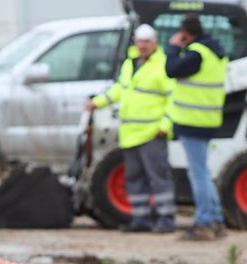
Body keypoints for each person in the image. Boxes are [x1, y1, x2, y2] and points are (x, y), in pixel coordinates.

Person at [86, 24, 175, 233]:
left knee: (158, 177)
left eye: (147, 42)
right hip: (130, 133)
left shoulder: (163, 66)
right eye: (140, 41)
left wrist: (165, 125)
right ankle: (140, 219)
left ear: (155, 43)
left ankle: (165, 219)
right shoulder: (130, 64)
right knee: (134, 178)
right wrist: (97, 103)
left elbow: (174, 98)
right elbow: (119, 90)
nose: (142, 46)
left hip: (152, 132)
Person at [165, 14, 228, 241]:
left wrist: (172, 48)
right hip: (207, 120)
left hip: (192, 121)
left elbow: (171, 69)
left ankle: (204, 223)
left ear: (185, 34)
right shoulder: (214, 52)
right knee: (203, 172)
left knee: (198, 174)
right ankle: (216, 220)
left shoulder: (196, 54)